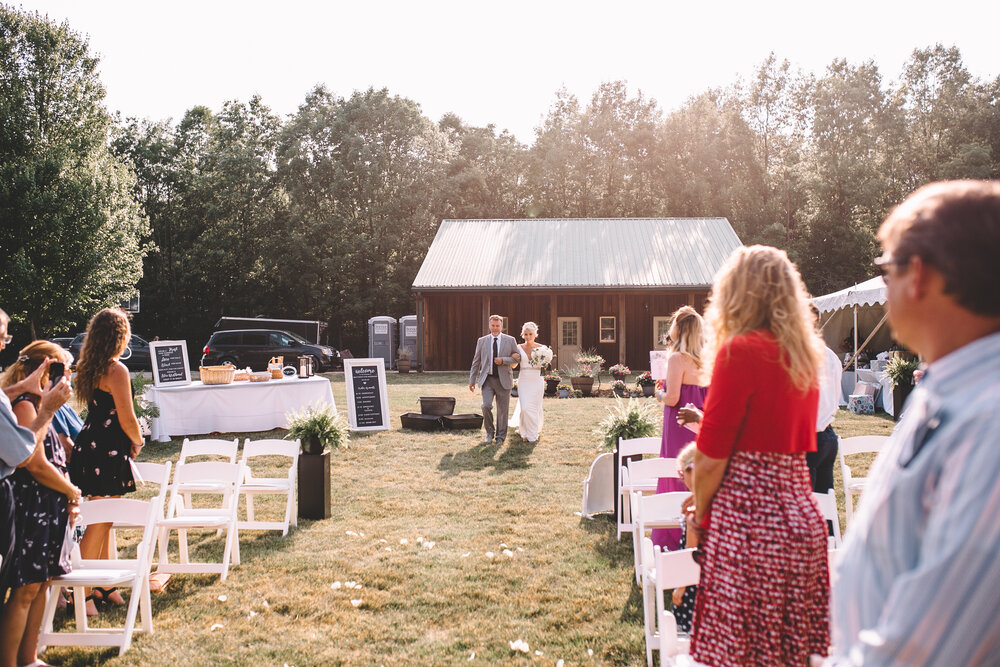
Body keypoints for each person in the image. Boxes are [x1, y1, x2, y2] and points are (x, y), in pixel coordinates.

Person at [828, 181, 1000, 666]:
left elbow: (928, 647)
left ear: (917, 275)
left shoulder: (987, 420)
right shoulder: (947, 389)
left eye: (885, 269)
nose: (883, 286)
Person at [688, 245, 829, 665]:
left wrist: (698, 515)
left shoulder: (740, 351)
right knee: (787, 654)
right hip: (801, 518)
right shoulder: (805, 357)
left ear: (736, 293)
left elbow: (711, 459)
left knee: (741, 653)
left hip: (752, 523)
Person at [0, 341, 82, 667]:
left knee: (42, 584)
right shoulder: (24, 405)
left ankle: (28, 658)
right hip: (30, 506)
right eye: (61, 371)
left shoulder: (38, 403)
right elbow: (33, 462)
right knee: (24, 589)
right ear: (43, 371)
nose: (68, 380)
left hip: (47, 505)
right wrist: (72, 491)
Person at [69, 308, 144, 611]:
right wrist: (137, 441)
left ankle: (104, 584)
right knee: (100, 520)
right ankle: (80, 591)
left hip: (90, 444)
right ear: (120, 337)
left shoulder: (89, 368)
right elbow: (127, 418)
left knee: (104, 517)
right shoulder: (117, 371)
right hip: (108, 448)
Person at [650, 306, 708, 551]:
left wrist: (659, 392)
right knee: (698, 475)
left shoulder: (677, 358)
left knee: (675, 473)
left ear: (679, 329)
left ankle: (671, 539)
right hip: (701, 424)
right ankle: (697, 534)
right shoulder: (707, 359)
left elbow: (673, 398)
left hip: (680, 424)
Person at [808, 304, 843, 493]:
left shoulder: (801, 356)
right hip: (828, 435)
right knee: (825, 505)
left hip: (810, 438)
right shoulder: (830, 355)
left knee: (806, 507)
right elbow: (836, 395)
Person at [468, 315, 519, 445]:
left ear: (502, 326)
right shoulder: (482, 341)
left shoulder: (510, 340)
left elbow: (517, 358)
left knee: (502, 411)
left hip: (504, 380)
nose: (495, 328)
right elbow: (476, 361)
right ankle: (489, 433)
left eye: (498, 326)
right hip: (487, 380)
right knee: (486, 406)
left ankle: (500, 437)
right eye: (493, 325)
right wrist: (472, 380)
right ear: (489, 326)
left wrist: (503, 360)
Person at [670, 442, 699, 635]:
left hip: (692, 586)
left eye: (682, 473)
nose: (681, 479)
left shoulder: (695, 513)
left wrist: (680, 588)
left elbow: (691, 554)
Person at [509, 322, 547, 443]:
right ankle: (524, 431)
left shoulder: (542, 348)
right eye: (526, 334)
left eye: (530, 334)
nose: (528, 336)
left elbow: (545, 365)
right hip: (524, 380)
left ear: (535, 334)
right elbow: (513, 366)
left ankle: (532, 434)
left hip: (537, 380)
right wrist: (514, 358)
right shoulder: (519, 348)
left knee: (534, 408)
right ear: (522, 335)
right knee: (525, 408)